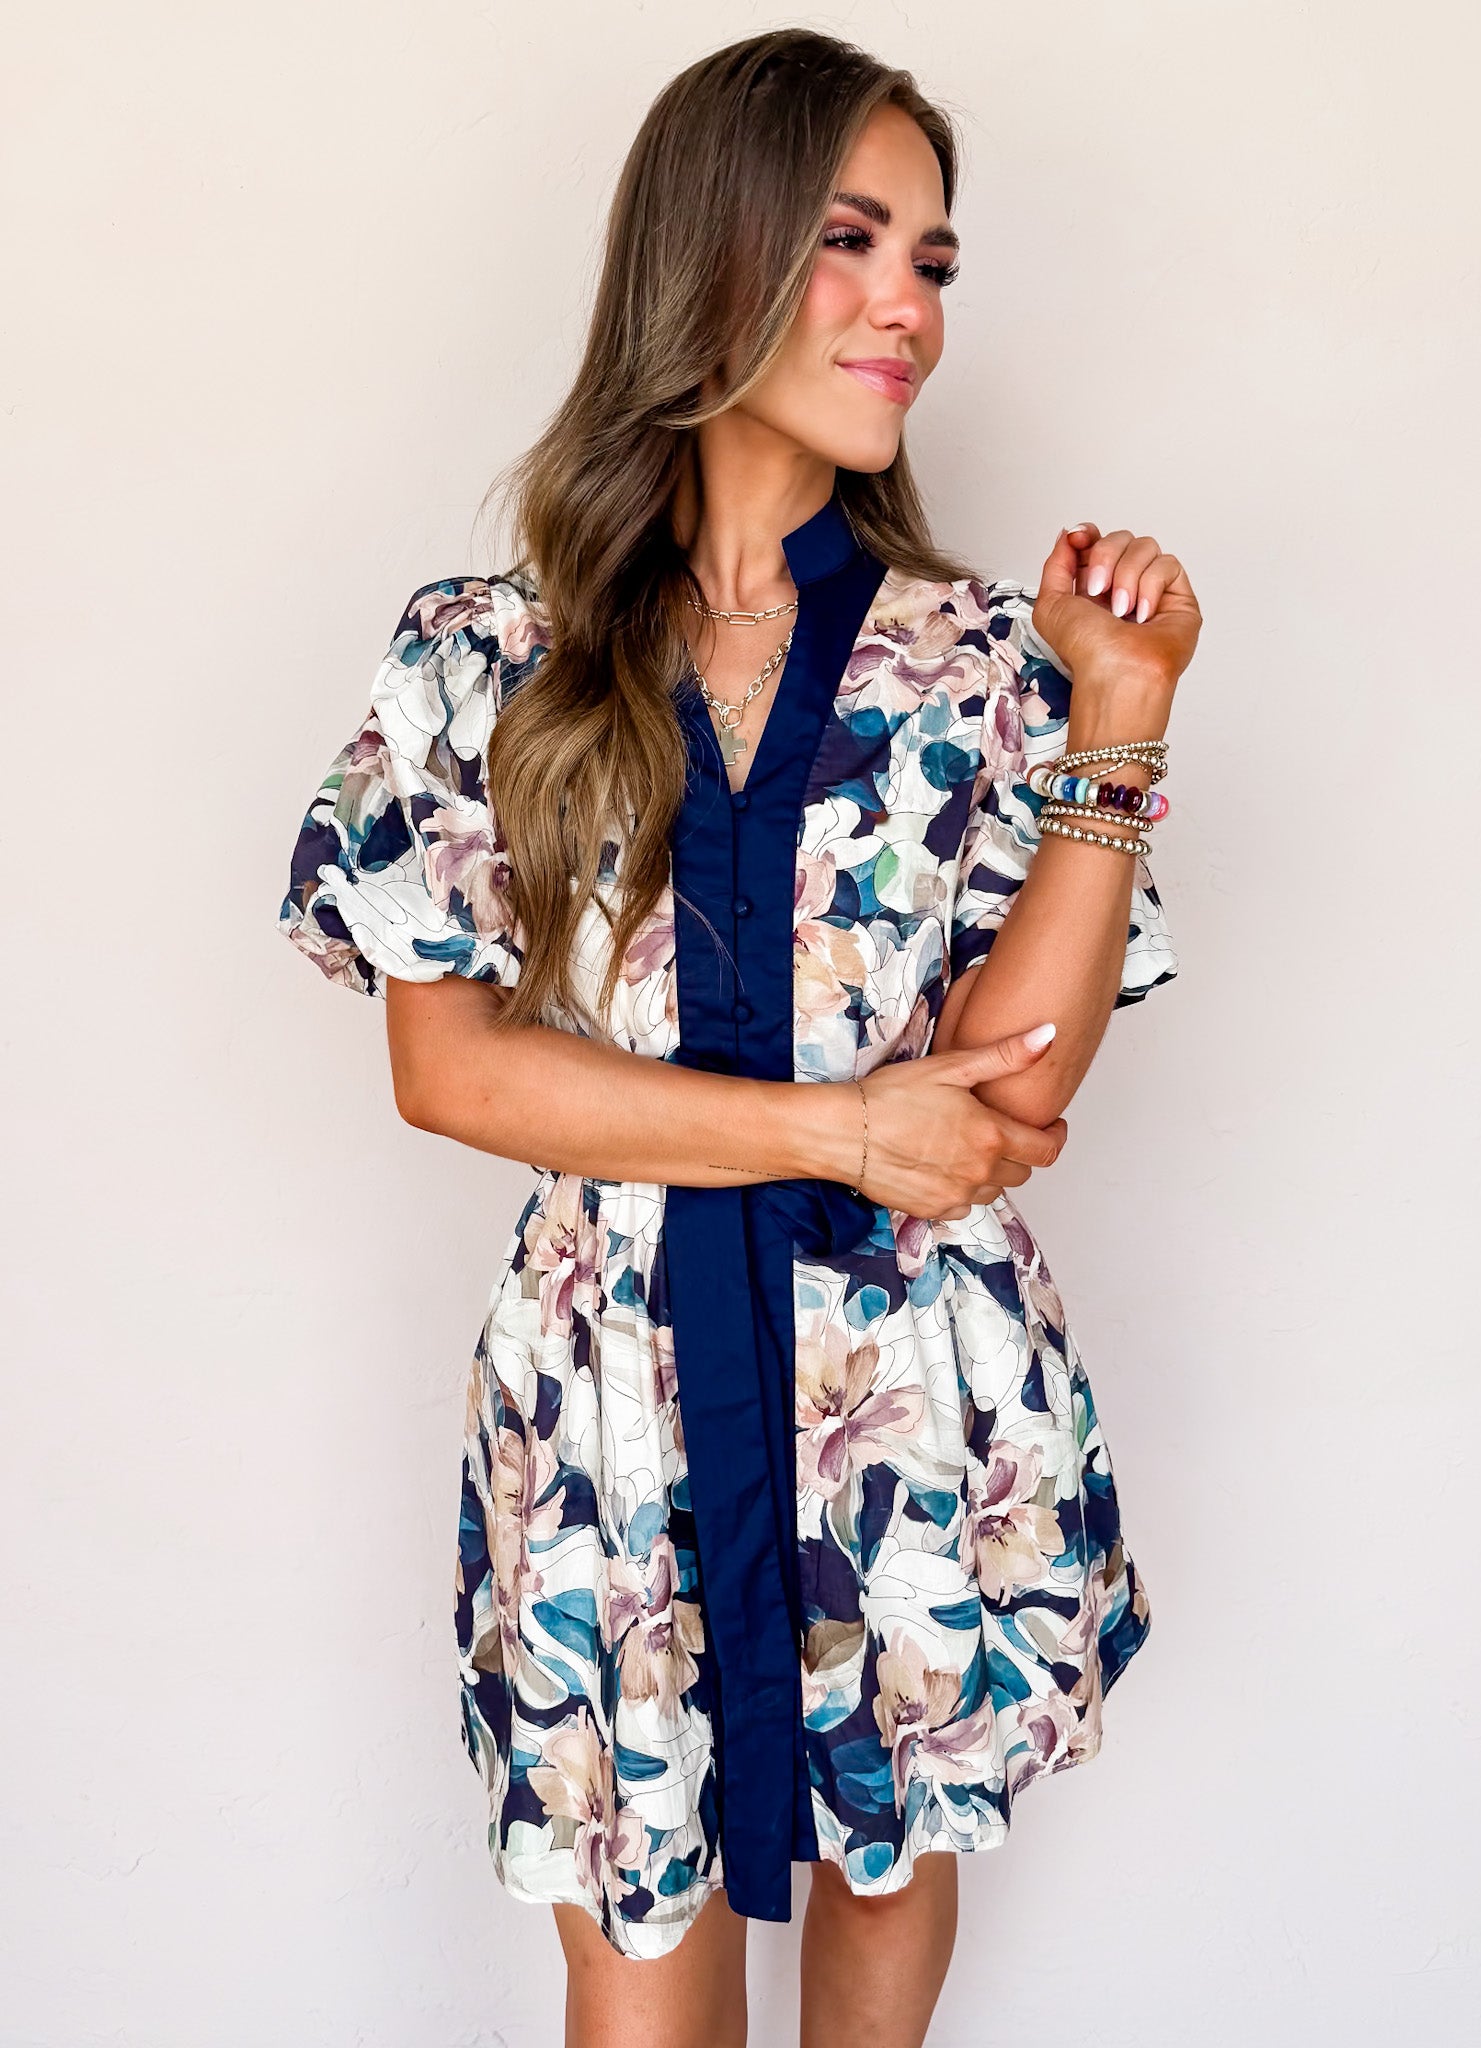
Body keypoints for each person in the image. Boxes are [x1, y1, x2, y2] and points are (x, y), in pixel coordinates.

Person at [277, 26, 1200, 2048]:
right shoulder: (489, 654)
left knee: (888, 1878)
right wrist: (844, 1133)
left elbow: (1017, 1087)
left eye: (933, 260)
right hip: (611, 1393)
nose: (909, 307)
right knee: (640, 1959)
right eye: (852, 240)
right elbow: (451, 1069)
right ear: (714, 249)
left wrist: (1118, 720)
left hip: (907, 1388)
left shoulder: (983, 666)